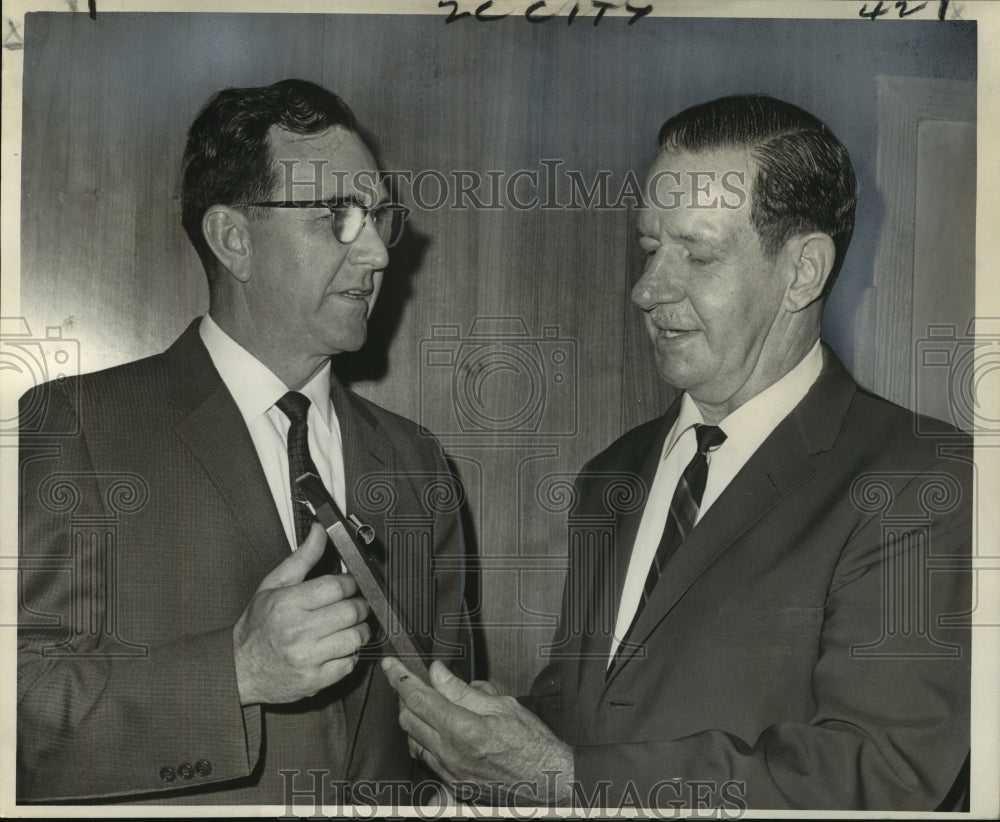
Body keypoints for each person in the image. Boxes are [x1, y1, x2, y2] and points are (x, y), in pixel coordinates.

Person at [383, 94, 972, 812]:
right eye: (650, 248)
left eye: (696, 253)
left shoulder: (919, 476)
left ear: (803, 271)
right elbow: (592, 716)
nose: (646, 289)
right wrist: (486, 741)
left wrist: (565, 781)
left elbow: (876, 775)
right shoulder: (613, 475)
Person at [17, 79, 469, 804]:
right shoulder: (76, 430)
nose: (379, 254)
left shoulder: (417, 465)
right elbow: (19, 722)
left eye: (380, 218)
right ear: (234, 240)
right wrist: (234, 675)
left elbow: (444, 733)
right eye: (337, 218)